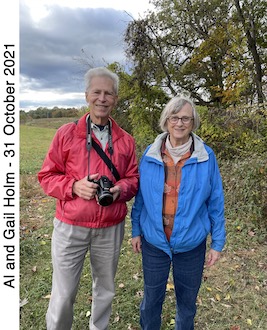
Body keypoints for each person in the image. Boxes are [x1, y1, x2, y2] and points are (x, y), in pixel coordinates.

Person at [38, 67, 139, 330]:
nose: (102, 98)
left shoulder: (126, 141)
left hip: (110, 227)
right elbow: (46, 176)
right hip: (71, 226)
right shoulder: (66, 134)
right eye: (97, 92)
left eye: (108, 93)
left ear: (115, 99)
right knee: (63, 293)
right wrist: (73, 187)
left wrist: (120, 190)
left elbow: (134, 179)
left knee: (105, 290)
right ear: (87, 95)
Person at [131, 95, 226, 330]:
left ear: (193, 122)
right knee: (151, 301)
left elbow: (215, 201)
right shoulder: (151, 154)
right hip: (154, 242)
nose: (180, 123)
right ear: (166, 121)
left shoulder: (206, 157)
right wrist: (135, 230)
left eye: (186, 118)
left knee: (187, 304)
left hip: (191, 244)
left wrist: (217, 242)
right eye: (175, 117)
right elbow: (141, 197)